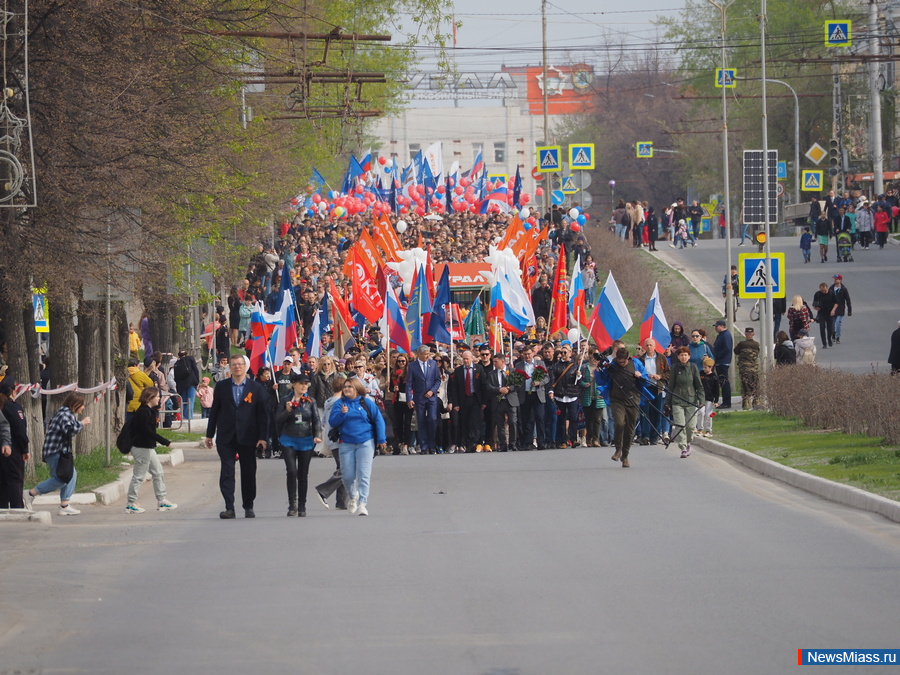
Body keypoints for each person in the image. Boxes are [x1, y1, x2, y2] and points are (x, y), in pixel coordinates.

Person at [204, 354, 269, 519]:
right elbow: (215, 411)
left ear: (245, 367)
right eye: (233, 365)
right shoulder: (222, 387)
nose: (237, 367)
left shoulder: (255, 388)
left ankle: (248, 506)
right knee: (227, 471)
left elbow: (262, 414)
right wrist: (209, 434)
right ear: (229, 368)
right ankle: (229, 507)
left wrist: (263, 437)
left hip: (249, 437)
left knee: (248, 472)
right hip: (226, 437)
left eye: (240, 364)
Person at [24, 392, 91, 516]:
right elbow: (69, 430)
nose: (83, 408)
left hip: (60, 451)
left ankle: (64, 504)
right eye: (82, 405)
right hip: (55, 451)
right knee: (61, 479)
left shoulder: (68, 413)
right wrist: (82, 423)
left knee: (71, 475)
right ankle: (30, 494)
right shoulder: (65, 413)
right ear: (76, 404)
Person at [329, 378, 386, 517]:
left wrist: (381, 439)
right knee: (347, 476)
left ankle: (362, 503)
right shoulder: (339, 404)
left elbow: (378, 420)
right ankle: (353, 495)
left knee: (363, 474)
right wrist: (342, 414)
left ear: (357, 388)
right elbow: (332, 422)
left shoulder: (366, 403)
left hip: (365, 442)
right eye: (345, 387)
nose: (347, 389)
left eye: (350, 386)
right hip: (346, 443)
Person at [275, 374, 321, 517]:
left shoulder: (310, 401)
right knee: (292, 471)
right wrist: (287, 411)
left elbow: (316, 419)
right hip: (289, 438)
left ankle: (302, 506)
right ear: (294, 384)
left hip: (306, 439)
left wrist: (317, 435)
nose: (304, 386)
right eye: (301, 383)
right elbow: (277, 419)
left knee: (303, 473)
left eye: (306, 384)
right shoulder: (285, 400)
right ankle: (292, 504)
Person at [125, 387, 177, 514]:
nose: (159, 398)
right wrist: (165, 441)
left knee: (158, 472)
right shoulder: (143, 412)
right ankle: (131, 503)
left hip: (148, 447)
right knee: (139, 476)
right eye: (157, 396)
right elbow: (147, 432)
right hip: (141, 447)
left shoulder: (149, 411)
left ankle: (162, 500)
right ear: (149, 398)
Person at [595, 347, 646, 468]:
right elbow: (602, 379)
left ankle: (625, 455)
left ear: (628, 358)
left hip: (633, 399)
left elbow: (646, 379)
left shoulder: (636, 364)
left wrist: (640, 376)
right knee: (619, 422)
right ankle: (618, 449)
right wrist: (598, 370)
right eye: (619, 361)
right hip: (617, 399)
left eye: (623, 362)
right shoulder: (612, 366)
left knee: (629, 429)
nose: (621, 364)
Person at [315, 376, 348, 510]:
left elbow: (323, 421)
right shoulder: (340, 403)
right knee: (346, 469)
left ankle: (341, 501)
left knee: (342, 468)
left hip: (330, 438)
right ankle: (324, 490)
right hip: (339, 438)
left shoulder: (328, 401)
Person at [666, 346, 703, 458]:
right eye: (681, 355)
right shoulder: (675, 368)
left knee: (691, 426)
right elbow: (670, 386)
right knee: (680, 425)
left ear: (689, 356)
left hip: (691, 400)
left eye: (685, 355)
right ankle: (683, 447)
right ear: (678, 356)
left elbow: (699, 385)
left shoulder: (693, 367)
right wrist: (667, 402)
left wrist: (701, 399)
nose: (683, 357)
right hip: (677, 400)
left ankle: (688, 442)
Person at [448, 350, 486, 453]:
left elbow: (483, 386)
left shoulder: (479, 369)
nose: (465, 361)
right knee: (465, 421)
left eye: (467, 359)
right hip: (463, 399)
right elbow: (454, 388)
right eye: (464, 359)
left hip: (475, 399)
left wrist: (483, 402)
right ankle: (465, 443)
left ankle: (472, 443)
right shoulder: (459, 371)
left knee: (474, 422)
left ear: (472, 358)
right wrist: (455, 403)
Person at [406, 344, 441, 455]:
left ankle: (432, 444)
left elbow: (437, 380)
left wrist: (432, 391)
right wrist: (409, 399)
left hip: (431, 397)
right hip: (419, 397)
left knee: (432, 419)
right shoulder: (412, 366)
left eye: (428, 354)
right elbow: (409, 384)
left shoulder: (433, 364)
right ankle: (424, 445)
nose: (427, 356)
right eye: (425, 354)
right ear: (419, 354)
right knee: (421, 421)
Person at [484, 353, 520, 452]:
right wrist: (499, 390)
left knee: (513, 422)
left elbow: (518, 384)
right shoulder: (491, 374)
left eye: (496, 362)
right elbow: (488, 386)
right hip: (498, 401)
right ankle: (503, 444)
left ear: (502, 362)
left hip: (510, 400)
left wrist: (509, 388)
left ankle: (513, 443)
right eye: (493, 361)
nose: (494, 363)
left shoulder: (512, 371)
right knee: (499, 424)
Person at [514, 345, 547, 450]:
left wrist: (539, 382)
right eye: (525, 354)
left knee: (540, 417)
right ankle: (527, 442)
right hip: (525, 394)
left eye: (529, 354)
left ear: (533, 353)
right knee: (527, 419)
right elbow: (515, 379)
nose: (527, 356)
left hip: (537, 394)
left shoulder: (540, 363)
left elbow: (547, 377)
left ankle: (541, 442)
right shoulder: (518, 365)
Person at [638, 337, 669, 446]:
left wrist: (659, 376)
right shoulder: (641, 359)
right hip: (645, 389)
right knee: (644, 412)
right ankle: (645, 436)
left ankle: (654, 436)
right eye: (647, 345)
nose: (649, 347)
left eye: (651, 345)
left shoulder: (661, 358)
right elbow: (636, 373)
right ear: (644, 347)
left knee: (657, 413)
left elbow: (668, 373)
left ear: (655, 346)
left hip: (657, 388)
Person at [0, 381, 25, 509]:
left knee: (4, 481)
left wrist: (5, 442)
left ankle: (3, 507)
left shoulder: (3, 407)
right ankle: (17, 508)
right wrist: (25, 449)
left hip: (6, 446)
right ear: (13, 391)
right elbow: (20, 429)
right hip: (14, 449)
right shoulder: (13, 407)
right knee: (15, 480)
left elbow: (4, 425)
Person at [733, 327, 760, 410]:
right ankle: (757, 401)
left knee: (745, 386)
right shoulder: (756, 344)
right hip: (754, 368)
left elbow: (736, 351)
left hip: (744, 368)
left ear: (745, 334)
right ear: (753, 334)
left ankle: (746, 403)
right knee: (755, 385)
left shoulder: (741, 344)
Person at [172, 349, 201, 421]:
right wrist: (197, 382)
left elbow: (176, 377)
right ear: (186, 354)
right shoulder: (191, 359)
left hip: (182, 386)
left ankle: (185, 418)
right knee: (190, 401)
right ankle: (190, 418)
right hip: (191, 383)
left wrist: (178, 388)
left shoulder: (177, 363)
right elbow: (195, 370)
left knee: (184, 402)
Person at [711, 320, 733, 408]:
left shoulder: (726, 335)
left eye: (717, 326)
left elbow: (727, 348)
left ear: (722, 326)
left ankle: (726, 402)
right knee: (722, 381)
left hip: (723, 361)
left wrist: (717, 356)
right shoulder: (721, 335)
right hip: (720, 361)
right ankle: (725, 401)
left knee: (724, 382)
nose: (715, 328)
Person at [126, 357, 154, 422]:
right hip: (138, 404)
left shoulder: (124, 374)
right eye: (139, 365)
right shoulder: (140, 374)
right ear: (135, 366)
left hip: (127, 403)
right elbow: (150, 384)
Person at [698, 357, 719, 437]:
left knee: (708, 414)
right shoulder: (701, 374)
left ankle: (708, 430)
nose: (704, 369)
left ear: (711, 367)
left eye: (706, 367)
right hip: (701, 398)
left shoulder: (714, 377)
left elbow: (716, 390)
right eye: (703, 367)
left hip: (709, 399)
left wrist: (716, 401)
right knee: (700, 412)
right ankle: (699, 429)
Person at [829, 274, 852, 344]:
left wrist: (849, 310)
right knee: (832, 323)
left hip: (840, 309)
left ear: (840, 280)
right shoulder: (831, 288)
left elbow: (848, 300)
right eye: (834, 279)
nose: (835, 280)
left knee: (838, 322)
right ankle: (833, 334)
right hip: (832, 309)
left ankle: (838, 336)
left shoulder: (843, 289)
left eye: (836, 279)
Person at [812, 282, 836, 349]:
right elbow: (814, 304)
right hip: (821, 313)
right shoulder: (817, 294)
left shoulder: (831, 294)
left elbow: (836, 303)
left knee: (830, 328)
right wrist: (816, 308)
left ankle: (829, 339)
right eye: (822, 290)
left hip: (830, 313)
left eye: (824, 290)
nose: (823, 291)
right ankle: (824, 343)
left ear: (827, 288)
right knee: (822, 328)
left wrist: (833, 310)